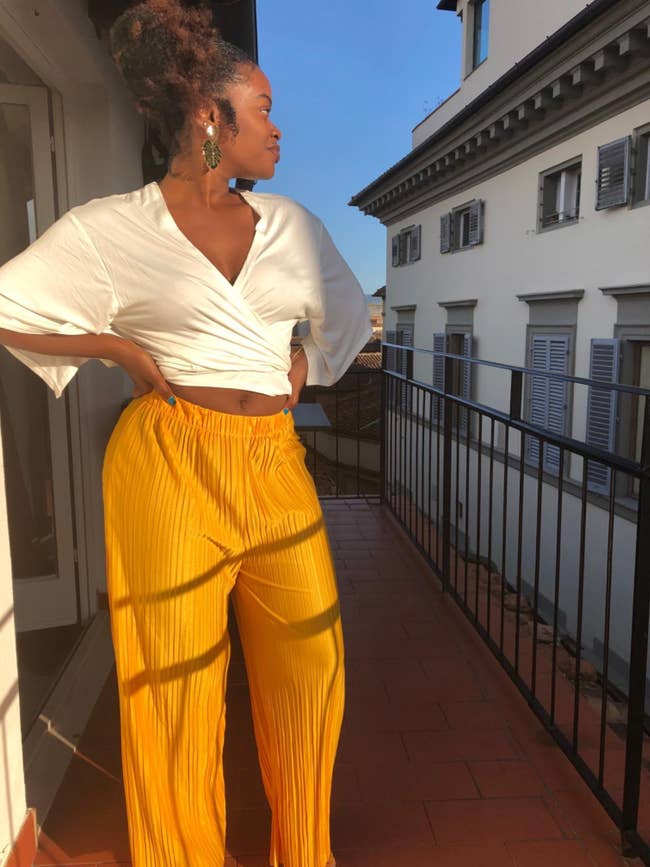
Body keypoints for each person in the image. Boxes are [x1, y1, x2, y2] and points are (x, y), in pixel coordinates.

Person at [0, 2, 371, 865]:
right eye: (266, 107)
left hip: (274, 466)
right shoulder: (109, 230)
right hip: (166, 464)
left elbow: (342, 323)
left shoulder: (292, 228)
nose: (279, 129)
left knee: (311, 672)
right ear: (212, 117)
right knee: (174, 691)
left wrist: (303, 371)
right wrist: (113, 345)